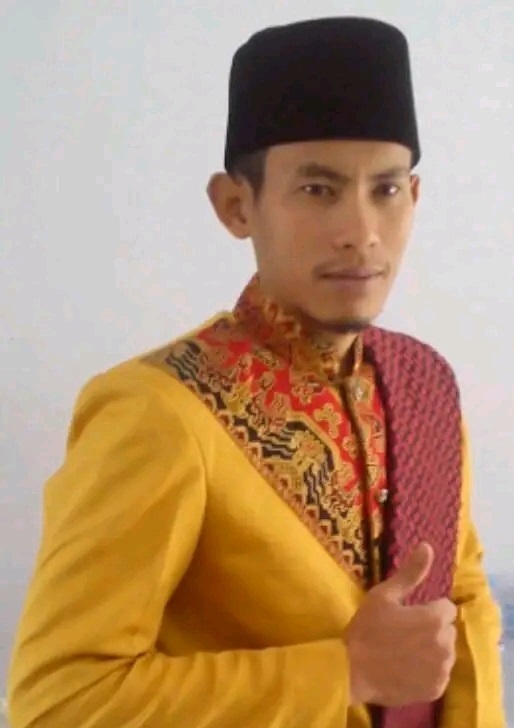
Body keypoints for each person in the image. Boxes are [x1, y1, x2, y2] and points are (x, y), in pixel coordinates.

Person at [7, 16, 506, 728]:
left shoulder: (423, 385)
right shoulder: (158, 412)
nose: (361, 231)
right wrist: (345, 672)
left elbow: (462, 605)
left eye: (386, 189)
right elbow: (58, 701)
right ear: (236, 206)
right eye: (318, 189)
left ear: (415, 197)